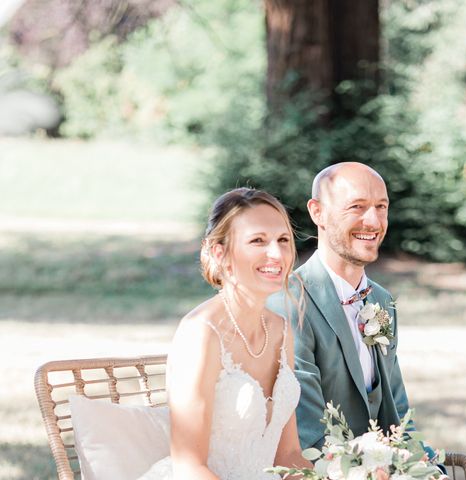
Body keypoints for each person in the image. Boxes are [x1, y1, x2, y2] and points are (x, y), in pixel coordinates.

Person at [269, 162, 442, 465]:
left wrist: (422, 466)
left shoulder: (382, 300)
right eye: (357, 207)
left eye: (381, 206)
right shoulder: (289, 303)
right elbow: (308, 433)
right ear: (317, 212)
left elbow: (397, 411)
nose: (373, 221)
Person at [139, 188, 312, 480]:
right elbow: (189, 467)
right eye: (258, 240)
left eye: (283, 240)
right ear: (220, 252)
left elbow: (288, 456)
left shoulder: (281, 330)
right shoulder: (201, 333)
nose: (277, 253)